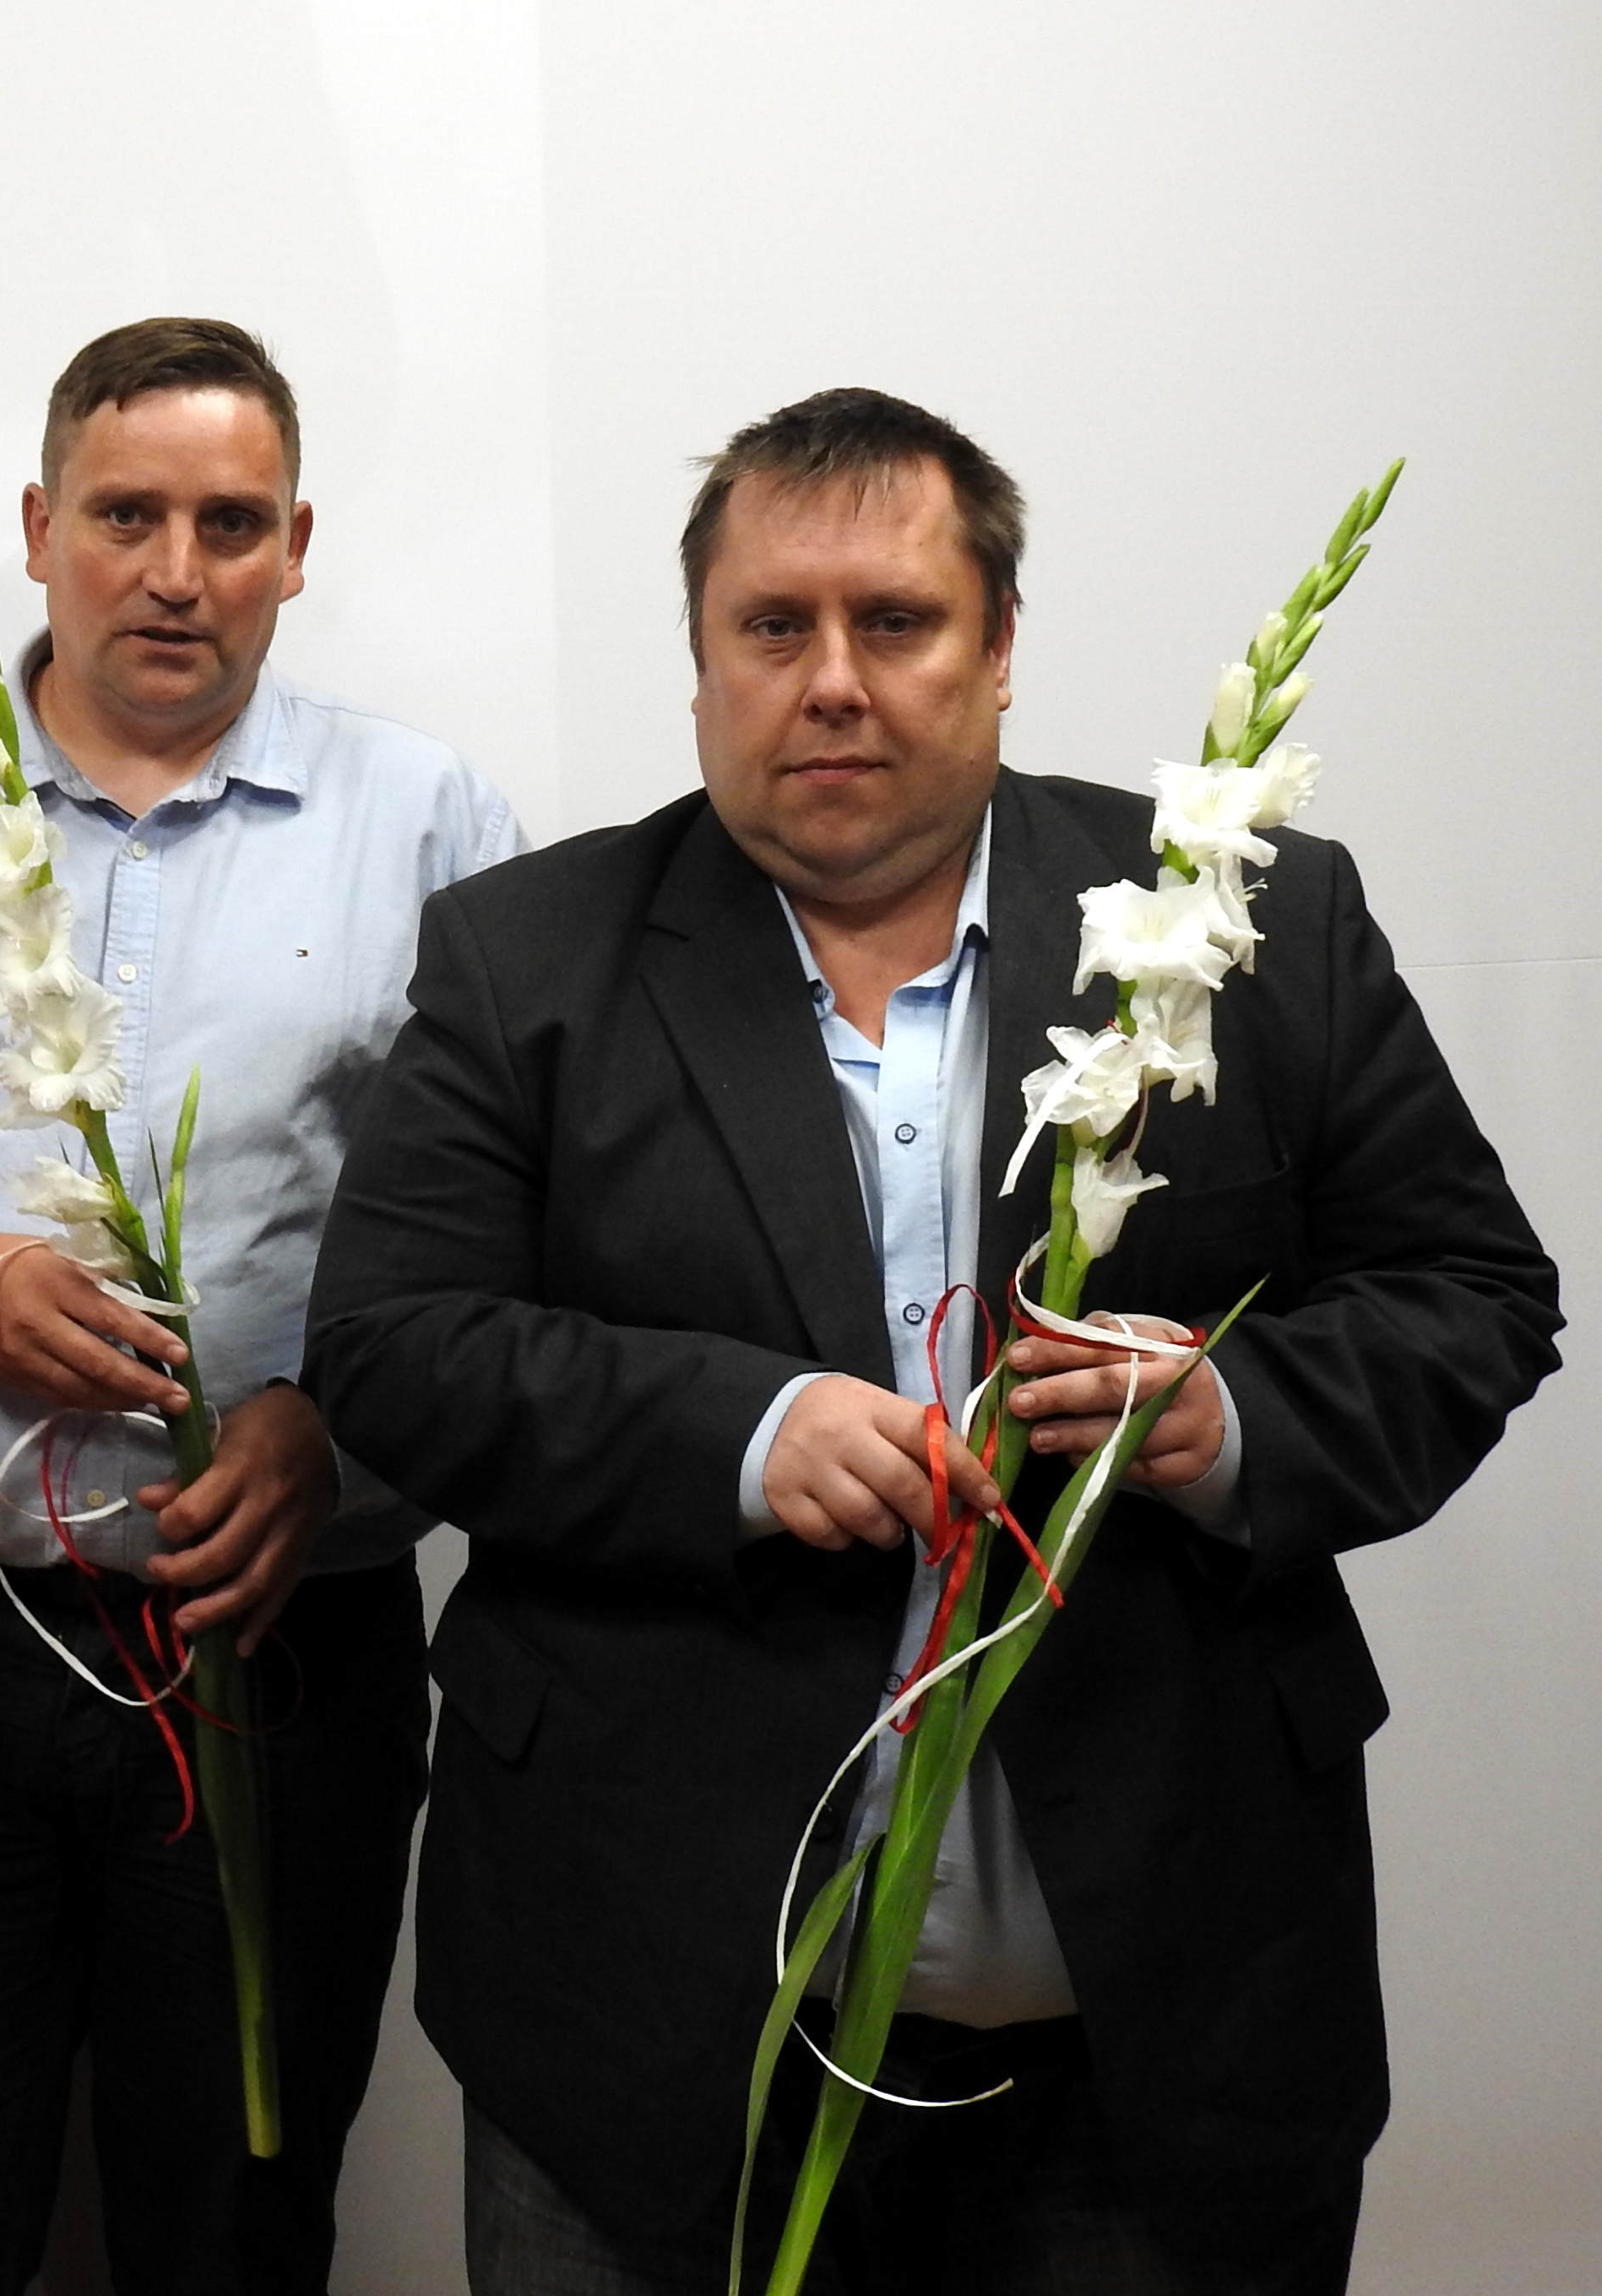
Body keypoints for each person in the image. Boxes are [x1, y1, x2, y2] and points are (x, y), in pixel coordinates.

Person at [305, 386, 1563, 2293]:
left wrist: (1229, 1415)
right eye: (773, 627)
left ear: (998, 650)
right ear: (702, 660)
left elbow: (1472, 1292)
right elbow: (393, 1347)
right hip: (652, 2025)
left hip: (1165, 2026)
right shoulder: (526, 954)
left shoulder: (1248, 920)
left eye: (895, 622)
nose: (833, 681)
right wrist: (742, 1437)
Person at [0, 317, 523, 2294]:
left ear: (298, 545)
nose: (177, 570)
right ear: (40, 526)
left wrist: (336, 1422)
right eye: (127, 516)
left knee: (236, 2224)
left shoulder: (432, 821)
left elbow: (508, 1230)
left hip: (282, 1645)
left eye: (232, 523)